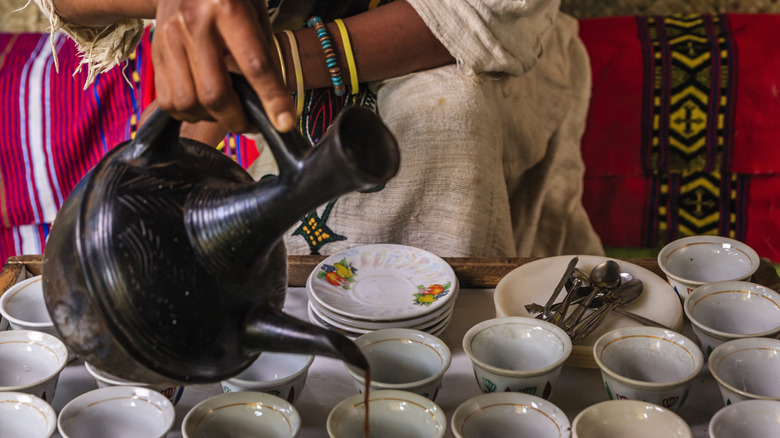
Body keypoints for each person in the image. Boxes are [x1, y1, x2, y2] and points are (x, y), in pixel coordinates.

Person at [33, 0, 605, 258]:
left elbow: (491, 9)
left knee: (444, 113)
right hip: (243, 65)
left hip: (466, 70)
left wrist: (276, 61)